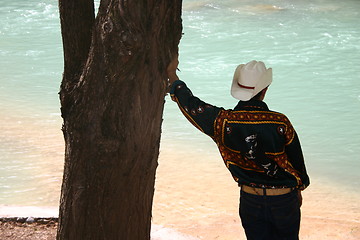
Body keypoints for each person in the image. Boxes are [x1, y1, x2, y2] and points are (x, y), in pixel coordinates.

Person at [167, 56, 310, 240]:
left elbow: (192, 105)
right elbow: (297, 162)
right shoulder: (280, 122)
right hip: (283, 199)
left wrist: (173, 76)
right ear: (264, 90)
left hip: (250, 199)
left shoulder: (222, 122)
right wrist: (299, 186)